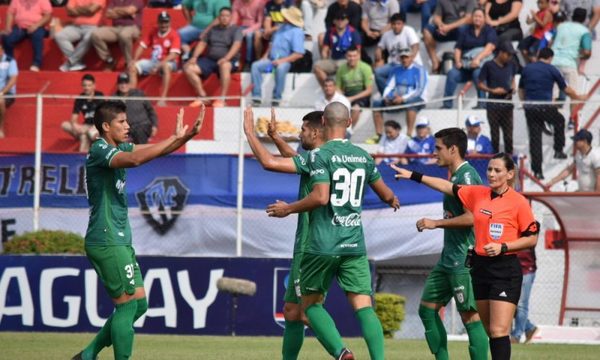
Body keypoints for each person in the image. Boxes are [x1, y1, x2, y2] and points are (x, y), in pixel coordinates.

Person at [266, 102, 399, 360]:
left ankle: (342, 353)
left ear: (324, 123)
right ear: (349, 123)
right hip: (354, 243)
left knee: (310, 305)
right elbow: (385, 194)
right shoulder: (363, 156)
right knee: (364, 306)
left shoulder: (320, 155)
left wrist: (289, 209)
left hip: (322, 242)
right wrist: (392, 199)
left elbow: (319, 196)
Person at [71, 101, 203, 360]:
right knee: (127, 305)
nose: (128, 126)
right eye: (122, 122)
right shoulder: (100, 149)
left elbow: (152, 151)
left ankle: (88, 355)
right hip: (107, 236)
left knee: (139, 304)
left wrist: (182, 137)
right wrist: (173, 139)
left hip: (119, 237)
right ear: (106, 126)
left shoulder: (118, 147)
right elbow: (134, 159)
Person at [392, 152, 540, 360]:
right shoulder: (478, 193)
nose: (491, 174)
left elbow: (532, 238)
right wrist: (414, 175)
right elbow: (446, 186)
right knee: (489, 330)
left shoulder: (519, 202)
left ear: (509, 174)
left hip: (504, 268)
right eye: (489, 169)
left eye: (497, 170)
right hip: (479, 267)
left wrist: (503, 247)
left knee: (499, 331)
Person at [243, 107, 326, 360]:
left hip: (313, 242)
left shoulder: (320, 158)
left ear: (315, 131)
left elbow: (268, 162)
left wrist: (249, 133)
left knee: (306, 312)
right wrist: (277, 138)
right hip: (311, 240)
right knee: (292, 310)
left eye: (302, 130)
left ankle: (342, 351)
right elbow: (299, 162)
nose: (299, 135)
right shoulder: (322, 157)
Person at [411, 128, 489, 360]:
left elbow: (471, 217)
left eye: (438, 148)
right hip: (448, 258)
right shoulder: (454, 176)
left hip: (463, 259)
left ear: (453, 149)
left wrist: (435, 223)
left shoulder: (466, 176)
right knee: (426, 310)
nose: (434, 153)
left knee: (469, 316)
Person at [518, 47, 588, 180]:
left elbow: (520, 90)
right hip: (545, 107)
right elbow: (566, 89)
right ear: (550, 58)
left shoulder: (527, 69)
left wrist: (524, 104)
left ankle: (537, 171)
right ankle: (558, 150)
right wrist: (578, 97)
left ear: (539, 55)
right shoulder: (551, 69)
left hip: (531, 108)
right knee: (560, 120)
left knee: (535, 139)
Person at [184, 7, 242, 108]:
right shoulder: (213, 30)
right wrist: (194, 57)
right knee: (188, 68)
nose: (224, 18)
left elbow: (236, 45)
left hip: (229, 60)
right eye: (222, 16)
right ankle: (202, 96)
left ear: (231, 17)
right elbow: (202, 43)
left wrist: (226, 58)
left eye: (227, 16)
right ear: (219, 17)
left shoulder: (236, 30)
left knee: (224, 66)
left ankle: (222, 99)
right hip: (210, 60)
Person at [442, 7, 497, 109]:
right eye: (475, 16)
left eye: (480, 16)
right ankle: (447, 105)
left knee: (478, 73)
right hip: (465, 64)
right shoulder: (465, 30)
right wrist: (458, 61)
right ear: (472, 17)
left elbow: (490, 47)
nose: (477, 19)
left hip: (480, 64)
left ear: (484, 18)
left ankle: (482, 104)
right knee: (452, 73)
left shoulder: (489, 30)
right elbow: (458, 48)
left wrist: (477, 59)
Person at [371, 47, 428, 143]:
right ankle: (379, 135)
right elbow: (389, 86)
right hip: (397, 99)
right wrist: (387, 97)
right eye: (402, 58)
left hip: (416, 99)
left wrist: (403, 99)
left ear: (412, 57)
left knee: (411, 104)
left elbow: (419, 90)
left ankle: (409, 135)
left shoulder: (420, 70)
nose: (404, 60)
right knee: (377, 104)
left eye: (406, 57)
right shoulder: (396, 69)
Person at [250, 6, 305, 105]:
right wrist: (265, 56)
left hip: (286, 61)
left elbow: (298, 54)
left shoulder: (297, 32)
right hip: (271, 60)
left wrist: (281, 61)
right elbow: (272, 44)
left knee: (280, 68)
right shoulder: (280, 27)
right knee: (256, 66)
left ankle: (276, 98)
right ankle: (256, 97)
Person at [129, 11, 181, 107]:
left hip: (169, 62)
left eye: (166, 22)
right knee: (133, 67)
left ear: (169, 23)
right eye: (161, 22)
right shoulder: (153, 31)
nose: (163, 24)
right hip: (153, 61)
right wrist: (134, 59)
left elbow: (173, 55)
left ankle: (163, 98)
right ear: (158, 22)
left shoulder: (174, 35)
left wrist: (159, 65)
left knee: (165, 66)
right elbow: (142, 46)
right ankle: (132, 97)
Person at [551, 7, 592, 126]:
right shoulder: (584, 31)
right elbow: (587, 52)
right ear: (585, 19)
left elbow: (551, 41)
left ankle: (550, 118)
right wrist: (579, 56)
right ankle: (572, 119)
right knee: (574, 93)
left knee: (553, 93)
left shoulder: (561, 26)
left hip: (554, 62)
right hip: (569, 63)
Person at [478, 41, 518, 154]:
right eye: (508, 54)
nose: (510, 57)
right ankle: (495, 158)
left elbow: (513, 78)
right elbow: (480, 84)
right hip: (493, 104)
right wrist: (492, 90)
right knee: (495, 135)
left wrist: (513, 87)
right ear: (501, 53)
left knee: (508, 136)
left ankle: (509, 159)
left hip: (507, 103)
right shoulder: (488, 65)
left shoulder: (512, 65)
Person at [374, 12, 420, 96]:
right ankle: (387, 96)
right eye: (394, 24)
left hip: (410, 64)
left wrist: (410, 60)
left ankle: (397, 97)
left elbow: (415, 46)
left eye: (399, 24)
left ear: (403, 24)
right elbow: (380, 46)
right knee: (378, 73)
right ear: (391, 25)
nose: (396, 26)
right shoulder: (387, 35)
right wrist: (378, 50)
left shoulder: (409, 30)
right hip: (394, 65)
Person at [423, 0, 476, 74]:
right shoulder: (442, 1)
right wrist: (440, 25)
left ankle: (462, 63)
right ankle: (435, 62)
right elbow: (436, 17)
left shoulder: (470, 1)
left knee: (463, 29)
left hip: (459, 29)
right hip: (445, 29)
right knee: (427, 30)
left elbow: (468, 19)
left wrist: (449, 27)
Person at [91, 0, 144, 70]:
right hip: (116, 27)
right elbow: (108, 14)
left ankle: (129, 62)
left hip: (132, 27)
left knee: (124, 34)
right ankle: (109, 60)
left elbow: (130, 11)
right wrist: (125, 12)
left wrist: (115, 10)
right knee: (96, 34)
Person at [314, 12, 362, 88]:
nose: (340, 21)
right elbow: (325, 49)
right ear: (334, 21)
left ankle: (336, 90)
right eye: (338, 19)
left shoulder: (353, 32)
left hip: (347, 60)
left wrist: (356, 63)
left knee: (342, 66)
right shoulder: (330, 32)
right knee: (317, 66)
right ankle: (329, 87)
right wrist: (324, 59)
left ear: (347, 21)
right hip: (334, 60)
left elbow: (358, 51)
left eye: (343, 19)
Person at [55, 0, 106, 72]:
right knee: (60, 36)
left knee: (89, 37)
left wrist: (76, 9)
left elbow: (91, 10)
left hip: (93, 26)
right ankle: (77, 62)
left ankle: (70, 62)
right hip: (76, 26)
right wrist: (86, 10)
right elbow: (69, 11)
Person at [2, 0, 52, 71]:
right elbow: (10, 13)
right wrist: (8, 27)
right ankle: (9, 62)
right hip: (20, 27)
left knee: (37, 36)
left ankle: (36, 63)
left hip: (38, 26)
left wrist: (35, 26)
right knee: (7, 38)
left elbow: (48, 16)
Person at [335, 46, 374, 134]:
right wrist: (342, 97)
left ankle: (347, 131)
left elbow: (369, 90)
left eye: (354, 56)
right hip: (346, 94)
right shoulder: (341, 69)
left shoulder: (366, 68)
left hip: (361, 95)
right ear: (346, 56)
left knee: (356, 108)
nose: (352, 58)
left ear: (359, 56)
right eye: (350, 56)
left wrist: (352, 98)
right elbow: (337, 87)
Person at [61, 74, 104, 152]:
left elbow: (103, 116)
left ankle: (84, 157)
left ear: (94, 86)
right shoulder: (80, 98)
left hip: (97, 126)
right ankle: (85, 134)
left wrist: (89, 129)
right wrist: (76, 127)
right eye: (84, 85)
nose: (86, 88)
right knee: (64, 125)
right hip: (85, 126)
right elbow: (73, 118)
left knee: (86, 135)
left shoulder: (99, 96)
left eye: (89, 85)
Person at [114, 72, 159, 145]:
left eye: (126, 83)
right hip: (124, 128)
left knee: (139, 130)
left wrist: (154, 125)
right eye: (121, 83)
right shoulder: (113, 98)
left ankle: (142, 154)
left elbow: (151, 111)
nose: (123, 85)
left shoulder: (139, 94)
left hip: (142, 126)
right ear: (118, 85)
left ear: (129, 84)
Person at [510, 247, 538, 344]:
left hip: (525, 270)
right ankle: (530, 328)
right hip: (510, 270)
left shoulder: (529, 232)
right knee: (508, 304)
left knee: (521, 304)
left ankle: (516, 336)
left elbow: (531, 241)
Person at [231, 0, 264, 66]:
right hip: (242, 26)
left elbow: (260, 22)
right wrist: (231, 28)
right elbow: (234, 20)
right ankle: (235, 61)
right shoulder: (237, 2)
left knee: (249, 35)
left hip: (255, 26)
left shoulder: (259, 2)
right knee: (234, 33)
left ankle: (248, 62)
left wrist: (247, 30)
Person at [0, 43, 18, 139]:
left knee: (0, 100)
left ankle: (1, 129)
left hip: (7, 93)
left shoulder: (10, 61)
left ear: (2, 50)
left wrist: (2, 92)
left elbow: (13, 80)